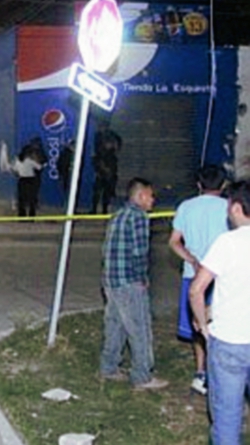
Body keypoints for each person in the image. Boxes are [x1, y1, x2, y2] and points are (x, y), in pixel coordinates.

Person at [188, 180, 250, 445]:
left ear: (238, 208)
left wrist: (204, 326)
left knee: (226, 424)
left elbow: (197, 289)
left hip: (228, 344)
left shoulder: (227, 243)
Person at [99, 177, 166, 390]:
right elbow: (139, 253)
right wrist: (142, 279)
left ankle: (108, 367)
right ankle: (142, 375)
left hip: (111, 280)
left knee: (115, 325)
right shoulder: (139, 217)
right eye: (150, 195)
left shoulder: (118, 215)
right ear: (140, 196)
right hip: (129, 281)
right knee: (140, 328)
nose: (153, 200)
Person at [168, 165, 228, 396]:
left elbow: (174, 242)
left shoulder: (186, 207)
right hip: (222, 276)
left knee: (198, 326)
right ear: (223, 185)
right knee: (221, 324)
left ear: (199, 185)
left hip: (193, 276)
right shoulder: (230, 208)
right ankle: (218, 374)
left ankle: (200, 372)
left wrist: (191, 259)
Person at [91, 121, 123, 215]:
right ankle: (95, 209)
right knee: (98, 190)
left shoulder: (111, 136)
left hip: (108, 167)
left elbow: (118, 143)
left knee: (106, 190)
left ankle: (104, 209)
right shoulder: (98, 136)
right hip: (101, 166)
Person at [10, 138, 45, 218]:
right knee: (32, 198)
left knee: (21, 198)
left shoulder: (17, 161)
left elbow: (14, 169)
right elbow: (39, 167)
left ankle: (21, 215)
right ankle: (31, 215)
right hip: (31, 180)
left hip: (21, 180)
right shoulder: (29, 160)